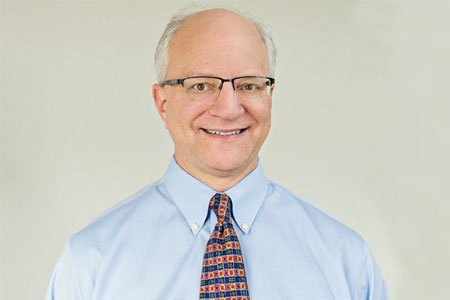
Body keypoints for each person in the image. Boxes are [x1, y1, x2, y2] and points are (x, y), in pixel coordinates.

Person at [46, 7, 388, 300]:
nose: (228, 108)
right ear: (162, 103)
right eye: (201, 85)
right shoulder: (91, 261)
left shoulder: (345, 259)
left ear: (270, 97)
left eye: (249, 85)